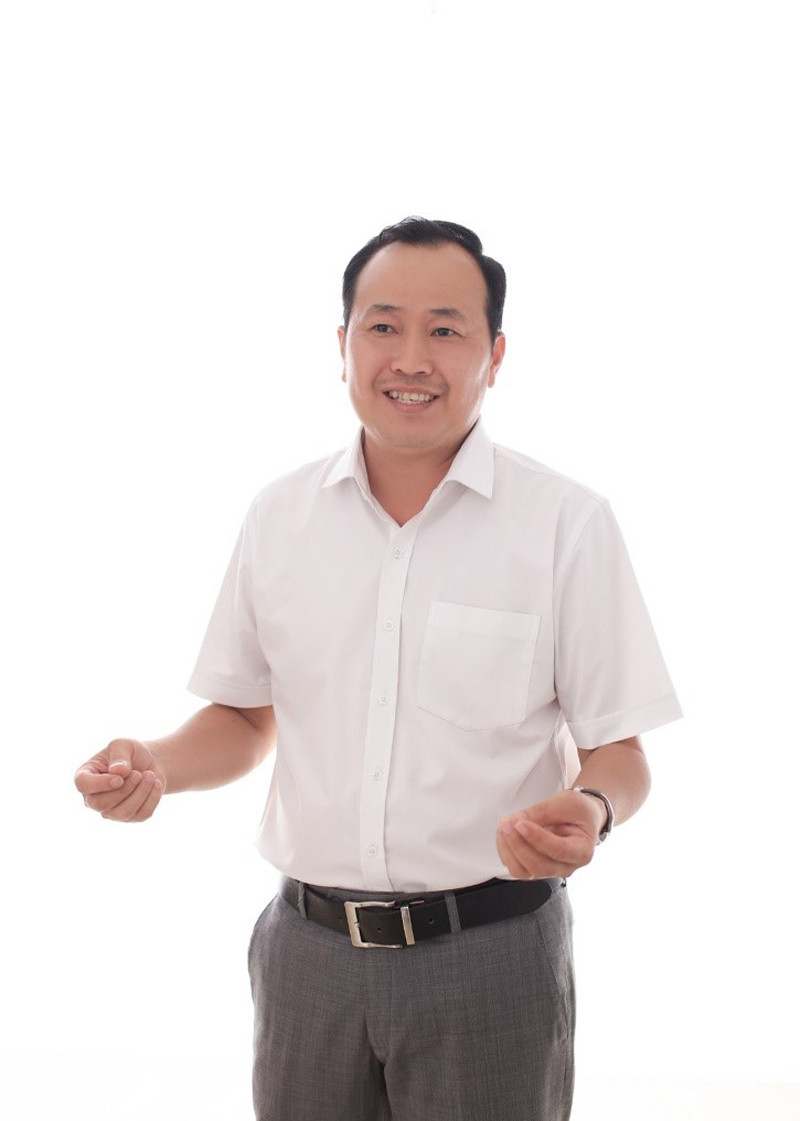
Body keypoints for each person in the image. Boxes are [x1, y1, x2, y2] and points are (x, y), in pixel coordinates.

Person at [75, 217, 682, 1120]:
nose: (411, 358)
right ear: (344, 344)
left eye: (446, 329)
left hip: (491, 957)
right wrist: (156, 763)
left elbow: (619, 750)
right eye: (384, 325)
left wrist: (592, 807)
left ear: (495, 354)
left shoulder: (566, 523)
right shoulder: (279, 516)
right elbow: (245, 717)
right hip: (305, 958)